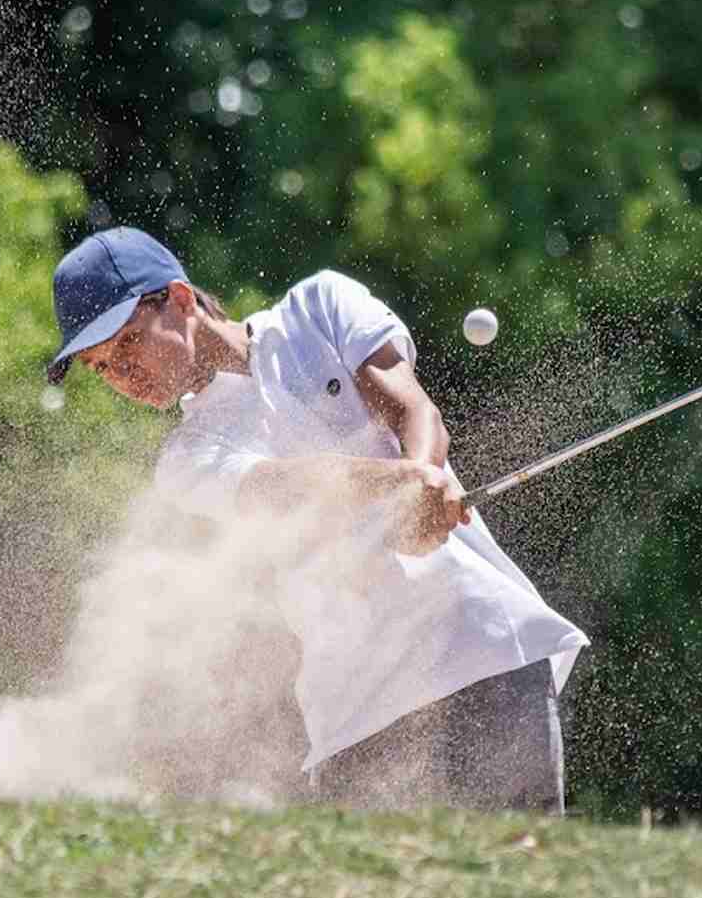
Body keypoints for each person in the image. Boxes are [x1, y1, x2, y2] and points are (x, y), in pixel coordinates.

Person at [45, 226, 587, 812]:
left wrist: (425, 475)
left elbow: (409, 406)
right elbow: (287, 489)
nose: (122, 374)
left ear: (179, 300)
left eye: (127, 343)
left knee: (520, 885)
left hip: (481, 649)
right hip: (357, 718)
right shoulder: (185, 459)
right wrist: (404, 486)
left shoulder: (318, 306)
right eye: (101, 368)